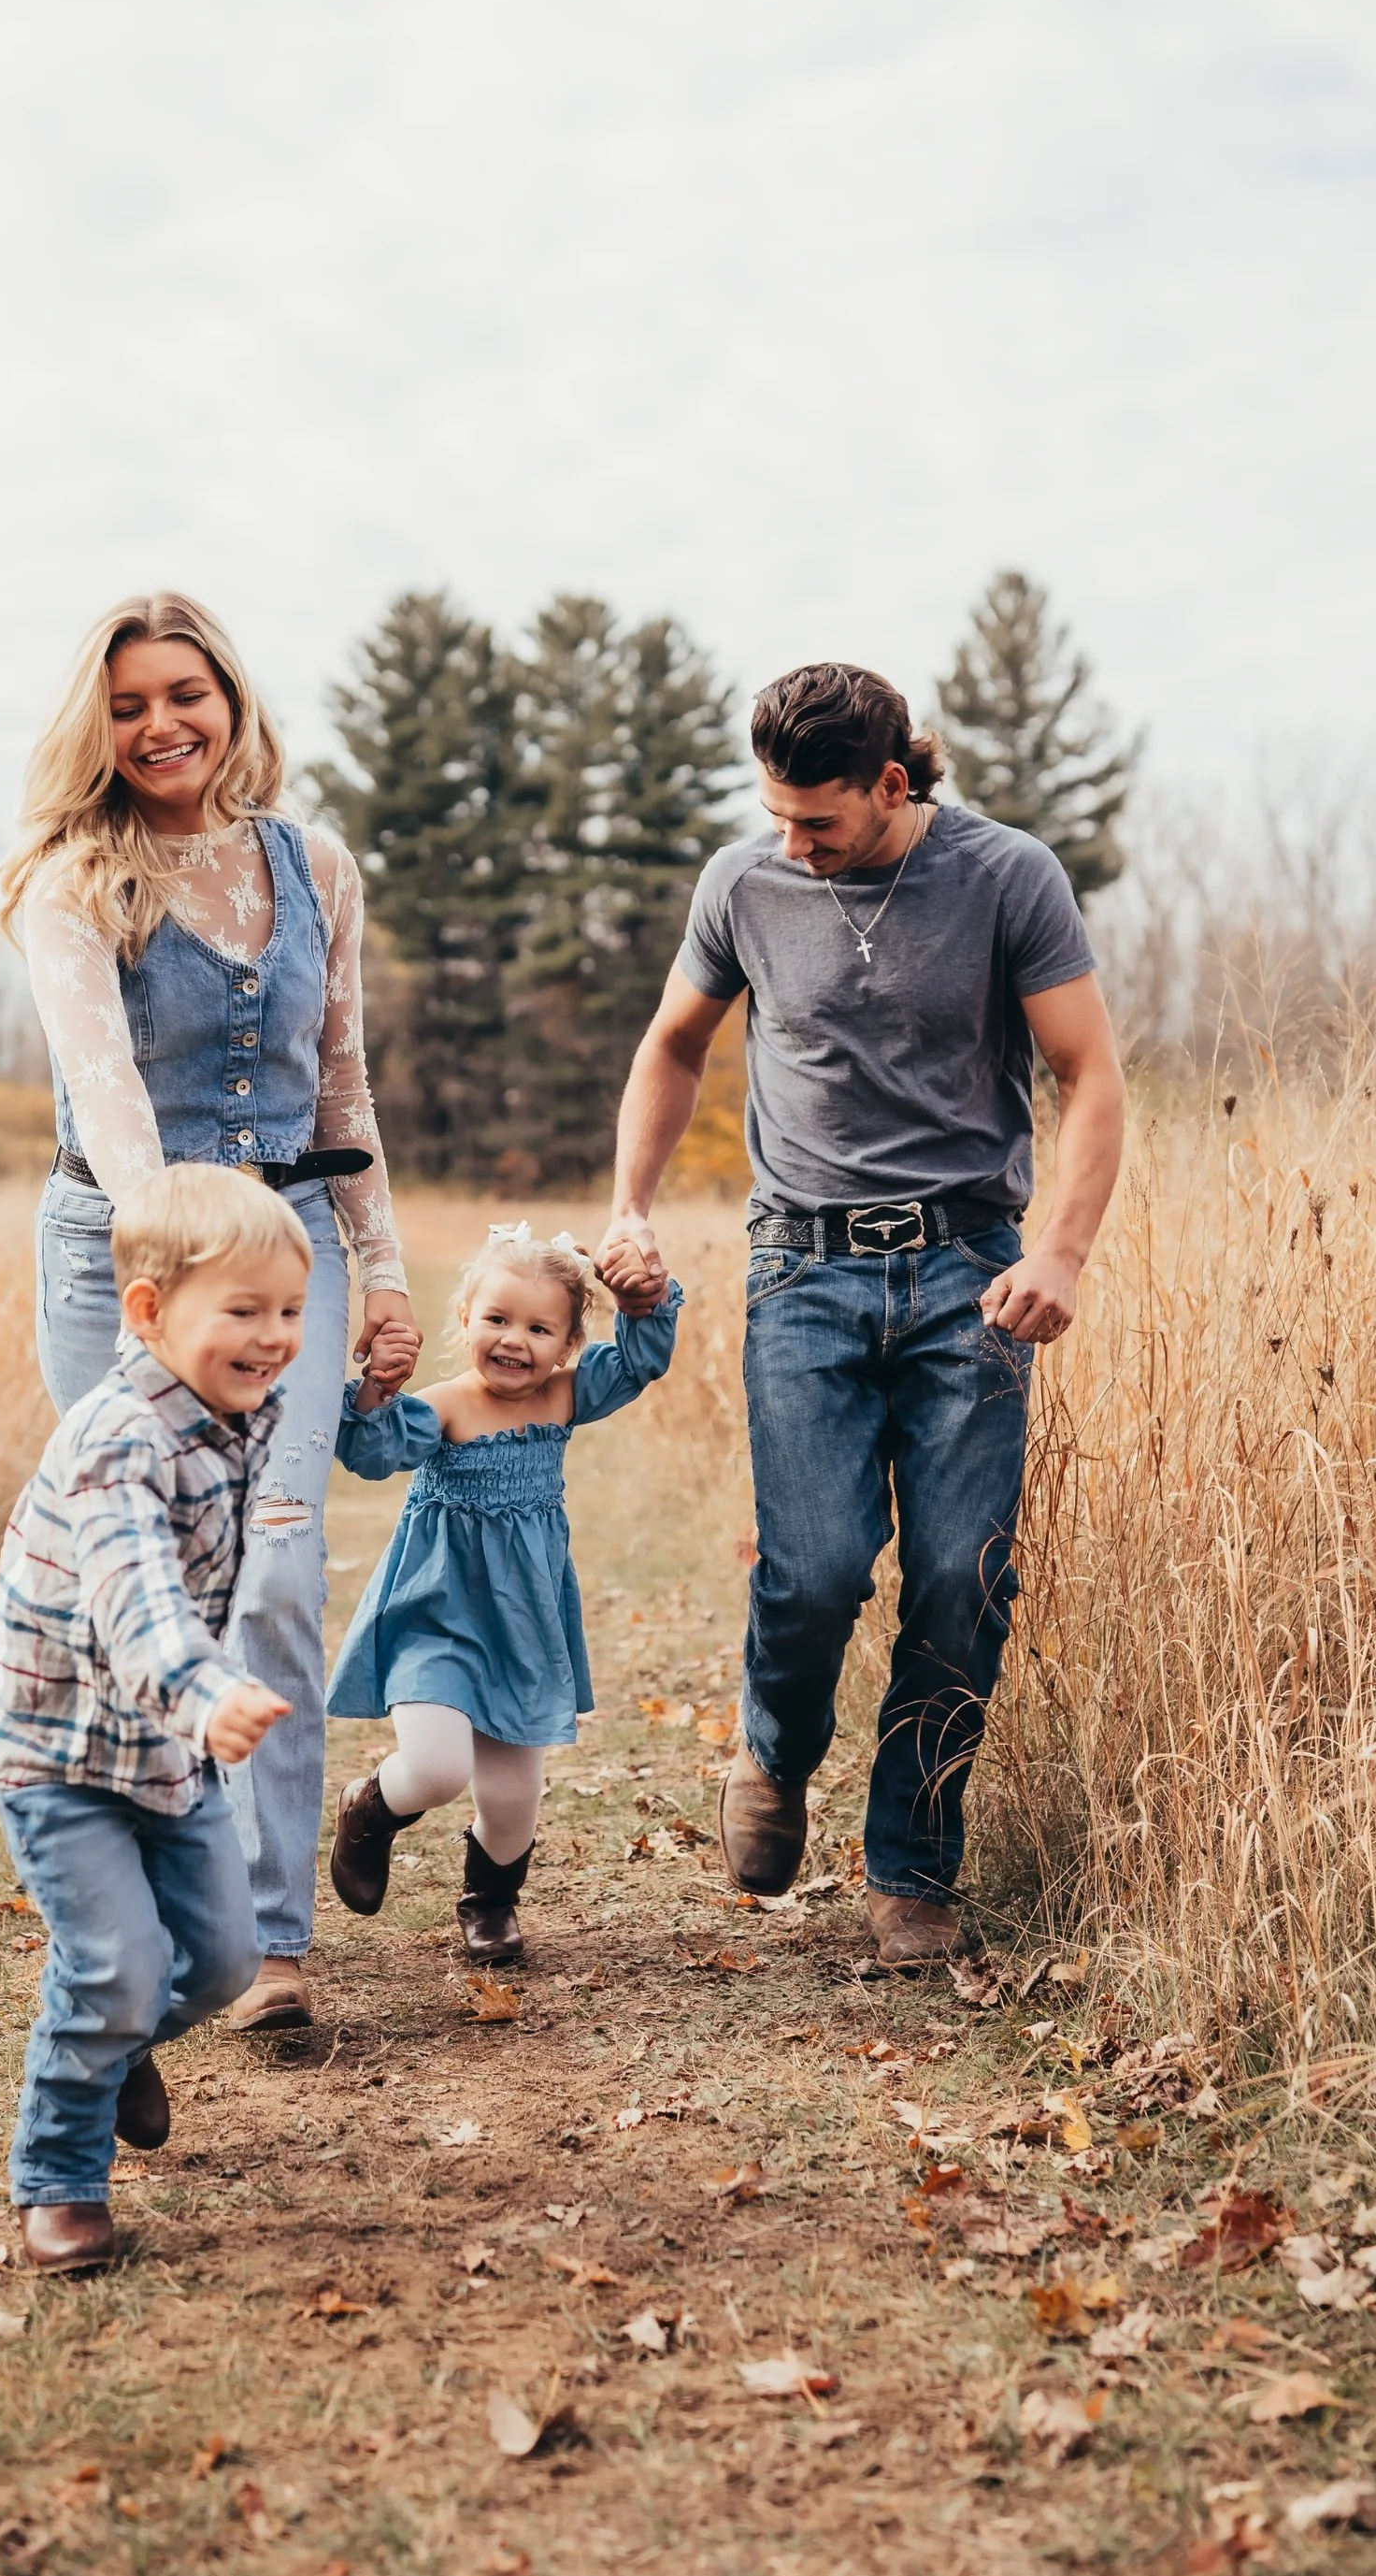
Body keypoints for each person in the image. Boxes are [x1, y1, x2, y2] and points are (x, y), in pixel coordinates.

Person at [596, 660, 1125, 1968]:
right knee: (816, 1569)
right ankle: (775, 1748)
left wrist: (1059, 1252)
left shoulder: (1008, 878)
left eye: (818, 820)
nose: (793, 842)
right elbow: (674, 1043)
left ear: (892, 784)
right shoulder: (742, 885)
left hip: (970, 1276)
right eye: (776, 813)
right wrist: (631, 1204)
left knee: (963, 1579)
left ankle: (912, 1870)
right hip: (803, 1272)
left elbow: (1089, 1074)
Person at [0, 595, 422, 2036]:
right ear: (95, 727)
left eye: (187, 693)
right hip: (126, 1259)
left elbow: (342, 1087)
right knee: (144, 1589)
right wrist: (178, 1286)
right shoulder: (72, 883)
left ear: (230, 701)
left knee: (278, 1576)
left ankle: (267, 1935)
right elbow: (114, 1116)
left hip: (292, 1248)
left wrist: (386, 1274)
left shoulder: (317, 866)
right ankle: (139, 1942)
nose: (162, 723)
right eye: (128, 705)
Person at [0, 1167, 311, 2274]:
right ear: (150, 1312)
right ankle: (59, 2175)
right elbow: (137, 1601)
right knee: (115, 1967)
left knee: (219, 1965)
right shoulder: (120, 1437)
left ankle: (110, 2050)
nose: (274, 1339)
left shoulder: (229, 1408)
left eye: (290, 1313)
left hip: (163, 1751)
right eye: (245, 1312)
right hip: (60, 1748)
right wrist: (208, 1691)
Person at [322, 1223, 682, 1968]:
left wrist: (638, 1299)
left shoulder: (564, 1397)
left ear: (567, 1342)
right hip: (438, 1615)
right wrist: (376, 1391)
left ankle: (489, 1901)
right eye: (496, 1319)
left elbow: (644, 1359)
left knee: (515, 1801)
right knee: (438, 1768)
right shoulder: (446, 1406)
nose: (514, 1340)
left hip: (522, 1624)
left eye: (538, 1327)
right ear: (464, 1321)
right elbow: (369, 1451)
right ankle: (370, 1808)